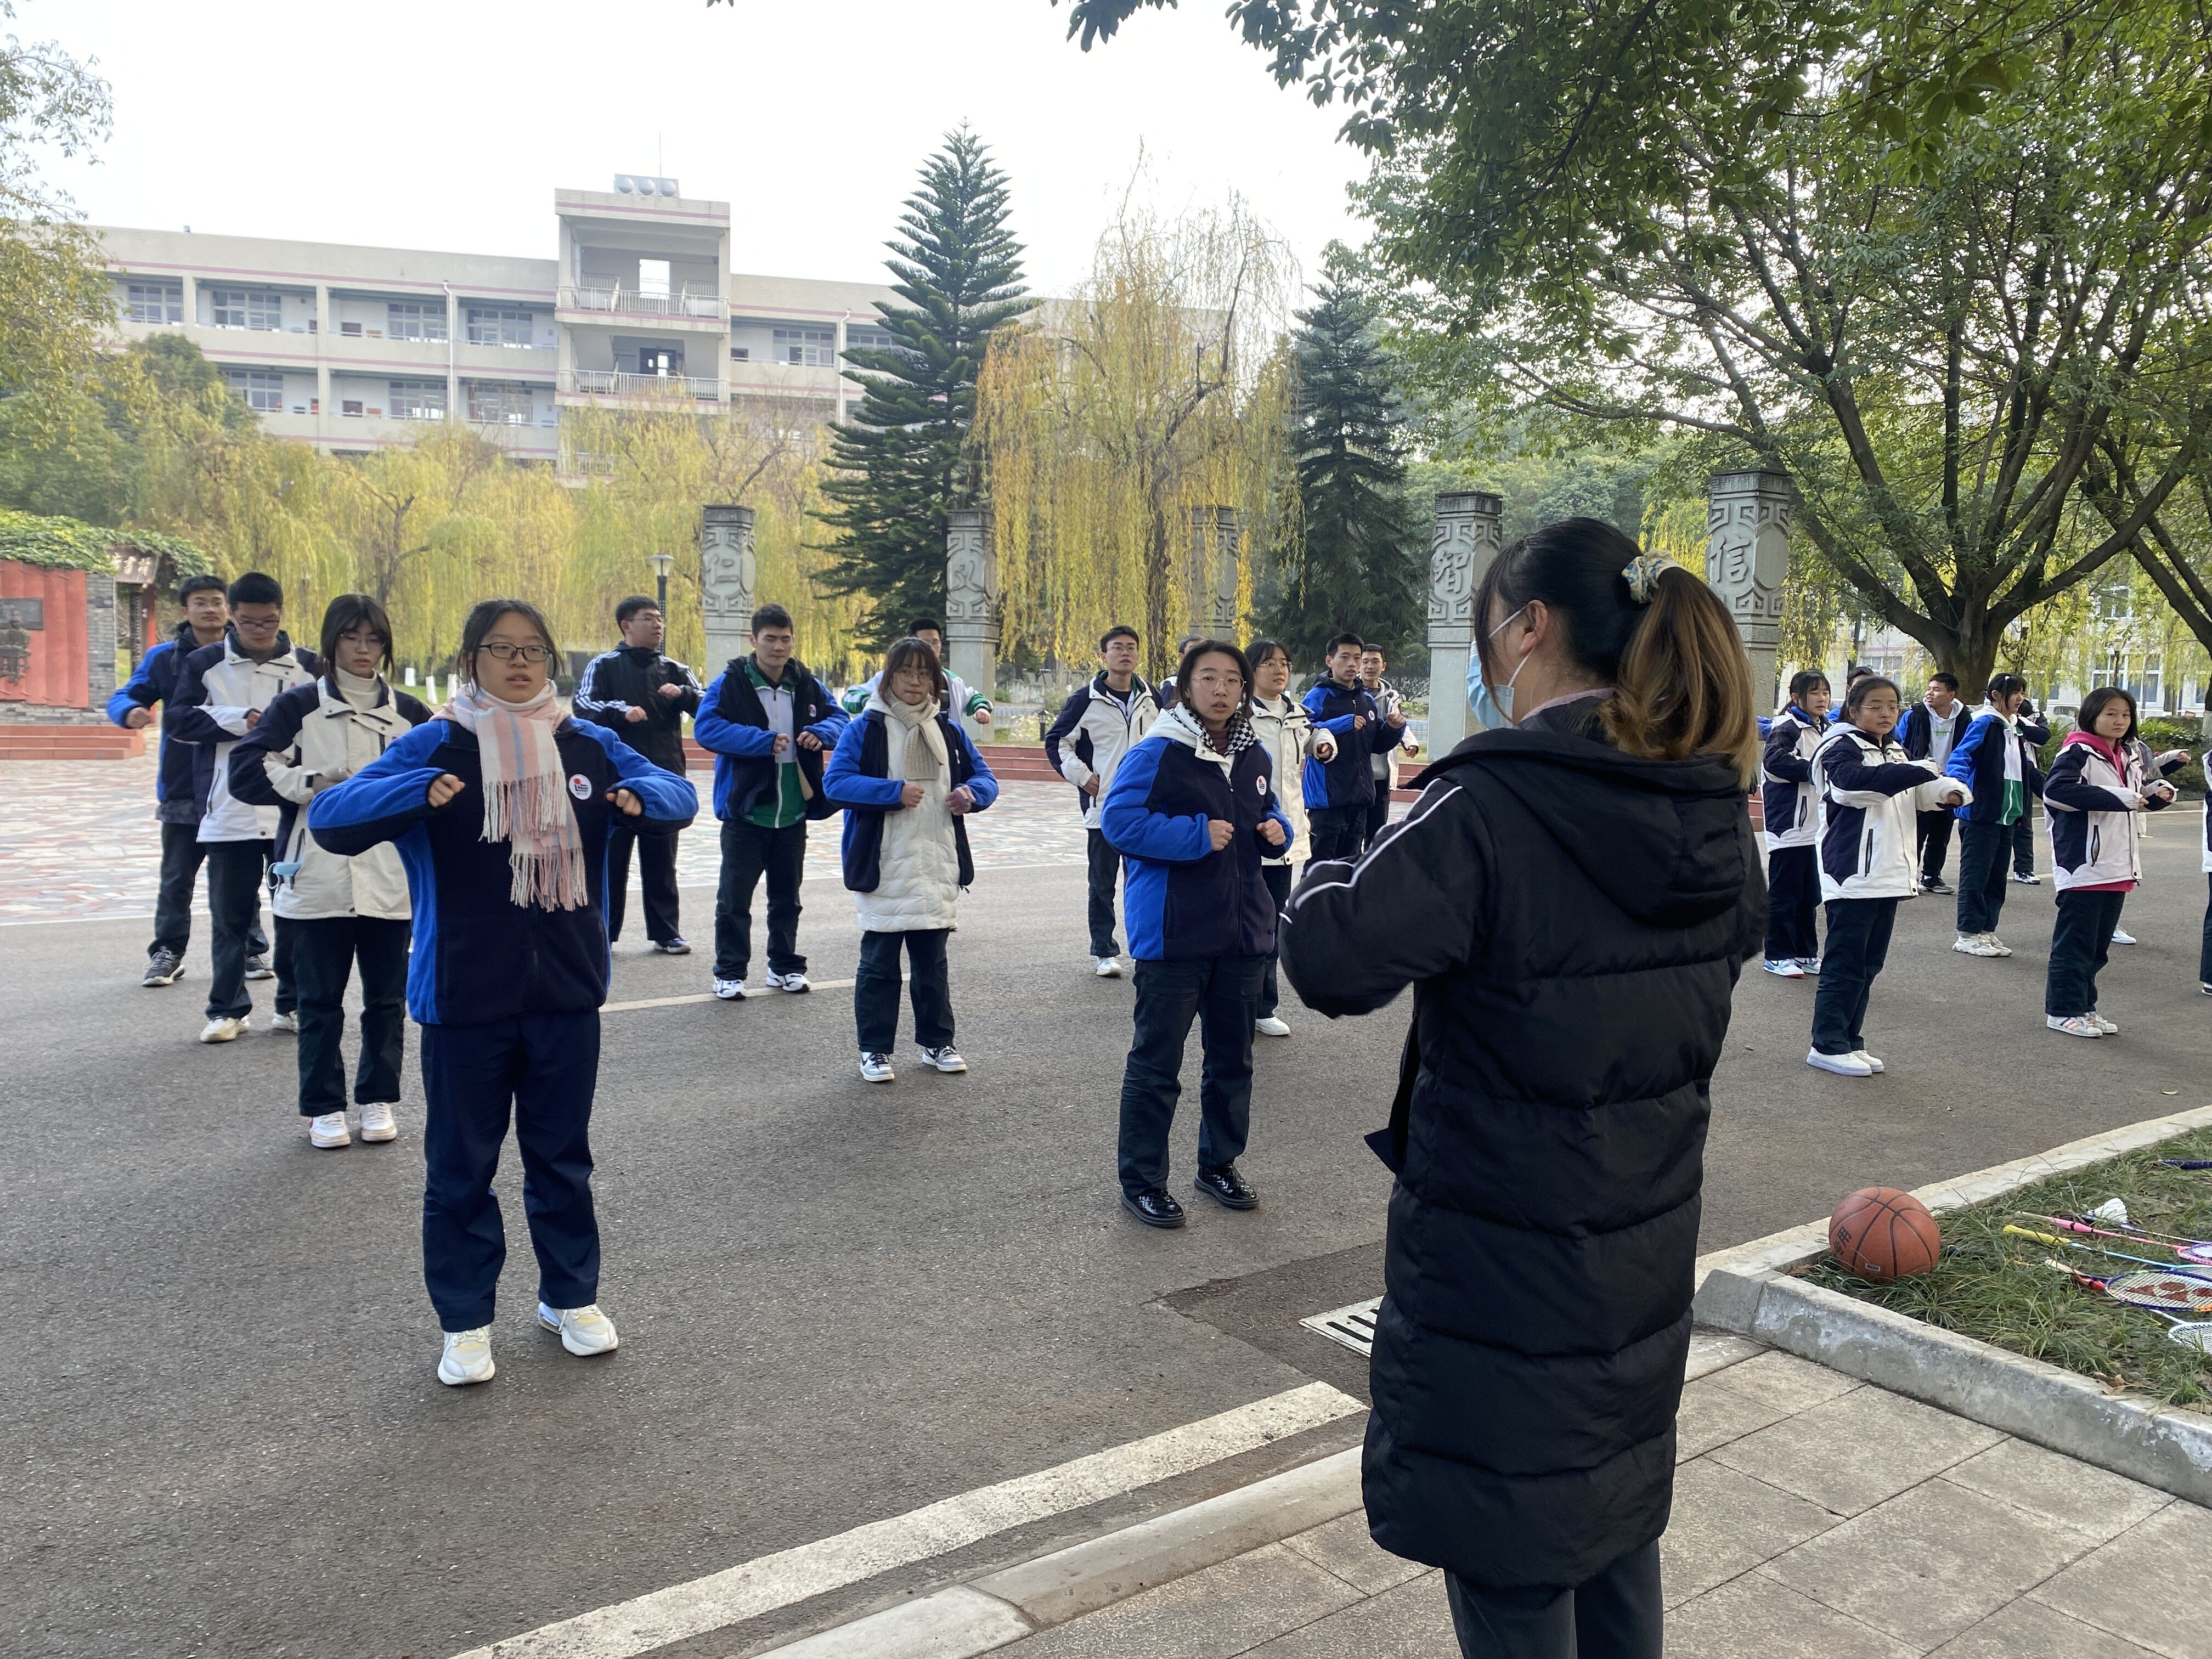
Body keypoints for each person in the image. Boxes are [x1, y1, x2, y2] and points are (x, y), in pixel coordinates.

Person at [1279, 521, 1764, 1659]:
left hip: (1503, 1253)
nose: (1487, 656)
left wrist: (1322, 859)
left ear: (1532, 626)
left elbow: (1333, 960)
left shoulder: (1497, 801)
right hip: (1637, 1245)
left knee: (1510, 1554)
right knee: (1607, 1528)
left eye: (1488, 629)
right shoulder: (1705, 805)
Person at [308, 598, 696, 1386]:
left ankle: (571, 1297)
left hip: (566, 992)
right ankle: (465, 1321)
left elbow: (679, 792)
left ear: (550, 662)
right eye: (500, 649)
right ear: (470, 661)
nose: (519, 663)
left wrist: (642, 800)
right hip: (463, 998)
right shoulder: (437, 743)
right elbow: (330, 814)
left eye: (533, 650)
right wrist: (412, 792)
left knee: (562, 1159)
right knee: (461, 1168)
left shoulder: (587, 742)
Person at [228, 595, 430, 1147]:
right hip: (317, 873)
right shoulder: (297, 708)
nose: (364, 651)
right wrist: (314, 781)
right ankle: (323, 1108)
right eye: (351, 638)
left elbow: (443, 780)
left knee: (387, 1001)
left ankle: (378, 1098)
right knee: (318, 1002)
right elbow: (245, 773)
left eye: (374, 640)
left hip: (391, 879)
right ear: (332, 641)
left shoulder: (411, 713)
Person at [1103, 639, 1289, 1229]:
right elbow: (1119, 822)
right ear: (1186, 688)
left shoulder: (1251, 753)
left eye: (1231, 681)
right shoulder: (1160, 750)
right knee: (1158, 1064)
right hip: (1175, 933)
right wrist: (1192, 835)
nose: (1220, 690)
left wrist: (1276, 829)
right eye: (1207, 679)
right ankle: (1142, 1181)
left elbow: (1273, 811)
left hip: (1240, 931)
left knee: (1232, 1061)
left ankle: (1219, 1164)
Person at [823, 636, 1000, 1082]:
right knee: (880, 964)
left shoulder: (949, 730)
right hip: (884, 861)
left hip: (936, 860)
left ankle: (938, 1042)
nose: (916, 682)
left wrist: (971, 794)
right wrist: (891, 793)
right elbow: (836, 783)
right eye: (907, 673)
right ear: (888, 677)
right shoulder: (867, 728)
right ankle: (875, 1050)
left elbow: (986, 778)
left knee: (932, 964)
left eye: (925, 674)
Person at [165, 572, 319, 1043]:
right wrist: (240, 720)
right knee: (230, 916)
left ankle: (291, 1004)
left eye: (270, 622)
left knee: (295, 912)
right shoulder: (205, 663)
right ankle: (226, 1010)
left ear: (281, 614)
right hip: (228, 811)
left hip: (292, 812)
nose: (260, 630)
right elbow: (177, 722)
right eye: (250, 622)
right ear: (234, 615)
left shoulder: (310, 666)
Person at [108, 573, 268, 988]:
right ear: (186, 610)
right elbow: (127, 695)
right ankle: (168, 951)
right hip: (183, 787)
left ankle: (252, 950)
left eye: (217, 601)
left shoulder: (251, 656)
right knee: (178, 877)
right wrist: (130, 713)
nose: (210, 609)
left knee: (239, 873)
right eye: (201, 602)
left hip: (235, 786)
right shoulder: (165, 658)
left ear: (229, 609)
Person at [1805, 676, 1971, 1076]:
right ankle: (1826, 1043)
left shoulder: (1894, 750)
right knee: (1845, 963)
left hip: (1889, 872)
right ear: (1853, 709)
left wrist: (1947, 790)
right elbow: (1854, 788)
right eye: (1875, 705)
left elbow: (1914, 793)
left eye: (1893, 706)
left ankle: (1850, 1040)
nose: (1885, 713)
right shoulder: (1839, 747)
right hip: (1853, 872)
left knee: (1869, 964)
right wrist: (1917, 772)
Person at [694, 604, 849, 1000]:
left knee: (787, 898)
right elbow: (707, 728)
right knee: (734, 900)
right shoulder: (730, 682)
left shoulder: (805, 682)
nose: (779, 647)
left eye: (785, 639)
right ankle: (729, 972)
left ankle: (784, 967)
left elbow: (841, 718)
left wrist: (821, 732)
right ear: (754, 640)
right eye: (771, 639)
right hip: (747, 810)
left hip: (793, 811)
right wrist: (760, 742)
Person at [2040, 687, 2179, 1037]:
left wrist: (2155, 795)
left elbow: (2132, 800)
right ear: (2092, 716)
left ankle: (2085, 1006)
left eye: (2126, 715)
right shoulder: (2077, 751)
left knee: (2098, 947)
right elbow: (2057, 792)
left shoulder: (2127, 754)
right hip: (2085, 864)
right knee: (2075, 944)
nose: (2119, 721)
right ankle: (2062, 1010)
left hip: (2119, 864)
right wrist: (2122, 798)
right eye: (2111, 714)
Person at [572, 595, 703, 956]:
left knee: (663, 858)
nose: (658, 625)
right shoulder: (605, 665)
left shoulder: (676, 669)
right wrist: (620, 710)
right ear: (626, 626)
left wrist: (686, 694)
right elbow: (583, 706)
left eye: (659, 619)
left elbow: (709, 706)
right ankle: (604, 930)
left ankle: (667, 931)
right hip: (616, 779)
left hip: (664, 776)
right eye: (648, 619)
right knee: (611, 858)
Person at [1043, 624, 1159, 977]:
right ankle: (1104, 952)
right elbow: (1057, 741)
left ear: (1139, 655)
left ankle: (1146, 948)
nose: (1125, 653)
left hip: (1149, 807)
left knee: (1146, 881)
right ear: (1103, 656)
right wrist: (1083, 777)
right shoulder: (1085, 699)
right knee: (1102, 883)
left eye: (1131, 648)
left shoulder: (1153, 698)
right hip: (1105, 807)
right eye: (1117, 648)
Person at [1247, 639, 1334, 1038]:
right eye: (1269, 664)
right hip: (1246, 836)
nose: (1279, 670)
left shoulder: (1298, 716)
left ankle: (1264, 1005)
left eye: (1284, 663)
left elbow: (1312, 742)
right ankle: (1233, 999)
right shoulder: (1239, 717)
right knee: (1242, 920)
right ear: (1251, 671)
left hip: (1284, 837)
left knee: (1271, 921)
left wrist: (1323, 745)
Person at [1944, 673, 2045, 958]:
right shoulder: (1985, 722)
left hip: (2007, 815)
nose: (2021, 698)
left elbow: (2026, 769)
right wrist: (1955, 785)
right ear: (1996, 695)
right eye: (2015, 692)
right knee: (1976, 876)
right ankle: (1968, 933)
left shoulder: (2014, 728)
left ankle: (1986, 931)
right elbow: (1962, 756)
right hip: (1982, 813)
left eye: (2023, 692)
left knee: (1996, 877)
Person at [1759, 670, 1830, 978]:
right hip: (1789, 826)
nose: (1822, 698)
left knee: (1810, 895)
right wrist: (1819, 769)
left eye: (1825, 692)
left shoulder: (1826, 728)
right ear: (1796, 697)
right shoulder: (1786, 728)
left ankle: (1804, 953)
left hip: (1816, 829)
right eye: (1815, 693)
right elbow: (1775, 763)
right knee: (1785, 895)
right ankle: (1776, 955)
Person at [1301, 633, 1394, 866]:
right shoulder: (1318, 696)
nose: (1352, 664)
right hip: (1328, 802)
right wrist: (1342, 724)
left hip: (1359, 800)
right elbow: (1302, 733)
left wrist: (1395, 729)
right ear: (1329, 661)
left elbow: (1377, 744)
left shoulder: (1366, 700)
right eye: (1345, 657)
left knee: (1348, 868)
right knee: (1319, 870)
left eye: (1357, 658)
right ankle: (1308, 904)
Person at [839, 617, 995, 735]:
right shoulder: (889, 676)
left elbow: (973, 697)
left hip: (943, 746)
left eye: (936, 642)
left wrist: (981, 709)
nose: (916, 683)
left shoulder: (951, 681)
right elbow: (849, 697)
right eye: (925, 642)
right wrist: (870, 702)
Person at [1900, 672, 1967, 893]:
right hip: (1922, 780)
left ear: (1951, 695)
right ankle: (1907, 878)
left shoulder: (1965, 718)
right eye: (1929, 689)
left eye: (1936, 690)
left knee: (1942, 832)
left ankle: (1931, 876)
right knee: (1917, 832)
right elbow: (1900, 743)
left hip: (1949, 781)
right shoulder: (1915, 715)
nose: (1930, 693)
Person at [1359, 645, 1421, 850]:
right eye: (1365, 661)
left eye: (1375, 662)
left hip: (1381, 776)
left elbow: (1399, 722)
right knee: (1352, 833)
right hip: (1357, 775)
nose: (1369, 666)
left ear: (1383, 666)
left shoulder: (1391, 696)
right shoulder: (1350, 694)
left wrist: (1409, 742)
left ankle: (1369, 878)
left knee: (1376, 835)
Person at [2011, 698, 2053, 884]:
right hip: (1997, 778)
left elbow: (2042, 737)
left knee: (2024, 825)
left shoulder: (2030, 713)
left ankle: (2024, 869)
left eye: (2020, 693)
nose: (2017, 698)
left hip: (2025, 775)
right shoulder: (1986, 717)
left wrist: (2018, 719)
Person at [1153, 633, 1204, 709]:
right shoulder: (1172, 683)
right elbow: (1163, 713)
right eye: (1192, 649)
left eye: (1202, 649)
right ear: (1181, 656)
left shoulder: (1210, 681)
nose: (1198, 653)